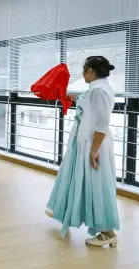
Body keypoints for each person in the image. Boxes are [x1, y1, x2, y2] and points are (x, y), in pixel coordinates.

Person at [46, 56, 119, 247]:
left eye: (84, 70)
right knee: (84, 183)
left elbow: (102, 123)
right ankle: (68, 212)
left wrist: (94, 151)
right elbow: (85, 101)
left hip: (93, 144)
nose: (82, 74)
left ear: (91, 71)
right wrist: (65, 94)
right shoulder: (97, 88)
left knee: (96, 186)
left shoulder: (99, 91)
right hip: (87, 142)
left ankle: (108, 232)